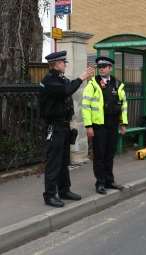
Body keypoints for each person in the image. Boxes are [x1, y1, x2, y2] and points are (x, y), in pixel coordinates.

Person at [39, 50, 94, 208]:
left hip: (63, 125)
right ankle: (49, 195)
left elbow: (69, 88)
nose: (65, 64)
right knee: (54, 162)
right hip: (54, 126)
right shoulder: (49, 80)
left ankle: (64, 190)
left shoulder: (60, 78)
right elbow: (66, 91)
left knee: (64, 161)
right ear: (56, 64)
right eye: (63, 62)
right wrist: (82, 76)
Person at [81, 56, 128, 195]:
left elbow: (124, 105)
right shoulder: (92, 84)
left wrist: (123, 123)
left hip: (113, 124)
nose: (101, 69)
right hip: (99, 126)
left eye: (104, 66)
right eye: (100, 67)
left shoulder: (118, 84)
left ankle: (109, 180)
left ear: (110, 68)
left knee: (110, 153)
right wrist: (88, 126)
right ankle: (100, 183)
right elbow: (85, 106)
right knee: (99, 155)